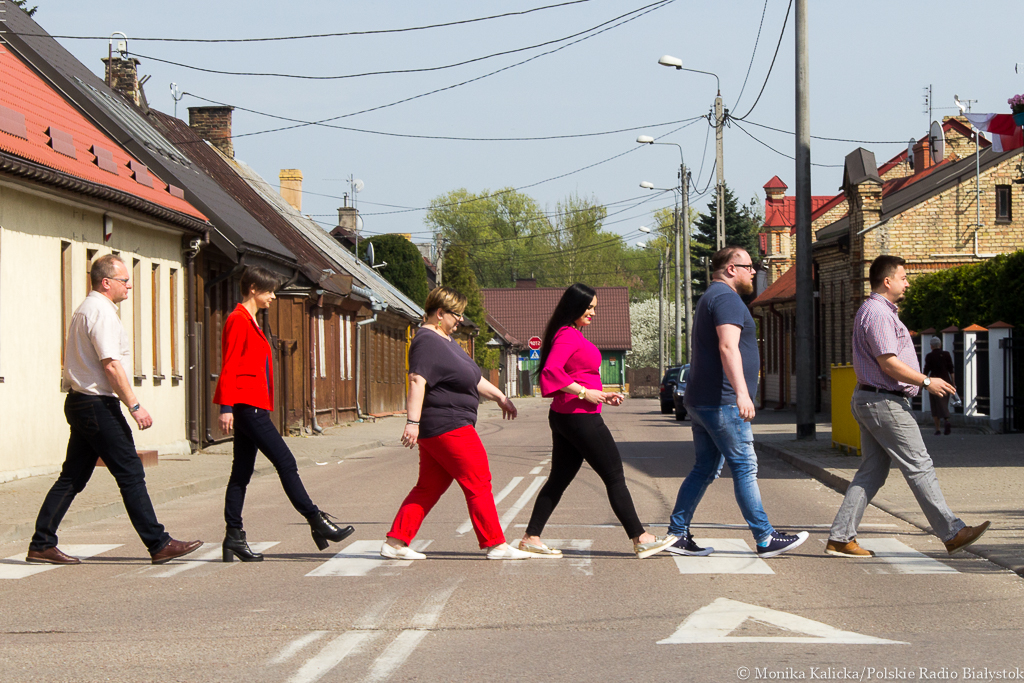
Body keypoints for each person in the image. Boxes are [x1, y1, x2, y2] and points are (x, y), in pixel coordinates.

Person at [27, 255, 201, 565]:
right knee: (130, 472)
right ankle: (159, 543)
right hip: (97, 405)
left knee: (72, 477)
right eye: (124, 280)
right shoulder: (101, 312)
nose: (129, 285)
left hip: (81, 402)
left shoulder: (86, 309)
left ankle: (41, 543)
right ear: (106, 282)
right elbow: (111, 364)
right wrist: (134, 405)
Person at [826, 255, 989, 558]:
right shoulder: (878, 314)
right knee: (919, 465)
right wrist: (927, 382)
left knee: (872, 472)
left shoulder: (877, 311)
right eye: (903, 277)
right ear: (887, 281)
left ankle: (840, 537)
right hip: (884, 400)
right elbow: (888, 363)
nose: (908, 283)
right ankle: (952, 532)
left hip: (873, 398)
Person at [667, 247, 808, 559]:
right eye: (749, 266)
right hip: (723, 401)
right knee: (744, 466)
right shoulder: (727, 299)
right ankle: (765, 537)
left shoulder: (710, 297)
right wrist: (742, 393)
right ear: (731, 268)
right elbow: (728, 346)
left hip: (703, 400)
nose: (754, 271)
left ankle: (677, 533)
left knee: (704, 468)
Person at [519, 283, 677, 560]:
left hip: (569, 415)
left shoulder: (569, 333)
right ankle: (640, 538)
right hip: (579, 418)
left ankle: (531, 538)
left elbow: (576, 375)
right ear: (575, 306)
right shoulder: (567, 335)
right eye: (589, 307)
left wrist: (601, 395)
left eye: (594, 308)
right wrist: (584, 393)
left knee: (558, 479)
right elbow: (551, 372)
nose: (593, 313)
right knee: (614, 475)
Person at [215, 266, 354, 561]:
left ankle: (233, 537)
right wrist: (226, 407)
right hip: (247, 406)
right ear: (253, 289)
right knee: (286, 462)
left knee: (241, 473)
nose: (273, 297)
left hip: (252, 404)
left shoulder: (252, 320)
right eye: (269, 291)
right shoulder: (238, 319)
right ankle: (316, 520)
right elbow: (229, 363)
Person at [382, 286, 531, 561]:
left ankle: (396, 542)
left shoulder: (447, 341)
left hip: (444, 426)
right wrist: (412, 422)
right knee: (478, 480)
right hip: (448, 424)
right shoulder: (426, 341)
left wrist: (500, 397)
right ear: (440, 313)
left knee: (429, 487)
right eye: (456, 314)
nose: (461, 320)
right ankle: (495, 544)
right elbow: (416, 380)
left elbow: (472, 378)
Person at [923, 336, 955, 436]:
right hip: (946, 381)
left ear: (931, 346)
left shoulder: (929, 356)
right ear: (940, 345)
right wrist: (953, 383)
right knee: (943, 402)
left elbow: (926, 370)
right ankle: (946, 419)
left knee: (934, 405)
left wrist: (923, 384)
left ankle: (937, 429)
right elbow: (951, 370)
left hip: (933, 382)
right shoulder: (946, 354)